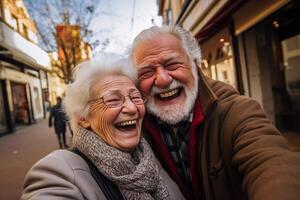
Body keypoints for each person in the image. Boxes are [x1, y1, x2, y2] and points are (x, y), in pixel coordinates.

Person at [130, 25, 300, 200]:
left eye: (173, 64)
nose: (163, 80)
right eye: (147, 72)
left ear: (195, 65)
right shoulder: (133, 127)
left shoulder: (235, 112)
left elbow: (272, 163)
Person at [21, 53, 185, 200]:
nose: (132, 108)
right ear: (83, 118)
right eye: (113, 100)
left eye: (135, 98)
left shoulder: (148, 159)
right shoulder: (58, 170)